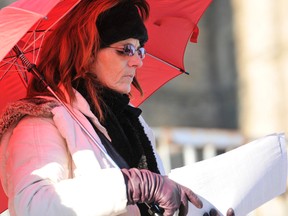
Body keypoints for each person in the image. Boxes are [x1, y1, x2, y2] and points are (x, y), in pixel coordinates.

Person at [0, 0, 235, 216]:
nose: (137, 61)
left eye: (140, 49)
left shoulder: (131, 122)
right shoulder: (40, 122)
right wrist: (131, 185)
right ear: (86, 50)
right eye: (126, 49)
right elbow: (31, 206)